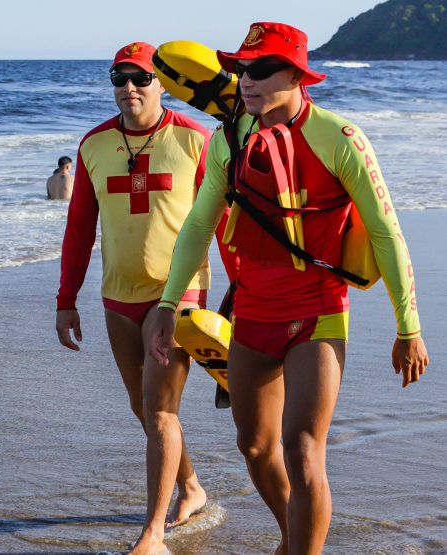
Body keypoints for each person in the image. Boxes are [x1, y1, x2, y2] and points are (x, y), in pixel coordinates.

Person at [147, 22, 429, 555]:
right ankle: (294, 538)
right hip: (253, 313)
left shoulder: (339, 138)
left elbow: (386, 232)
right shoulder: (229, 140)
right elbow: (198, 225)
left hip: (317, 312)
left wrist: (407, 326)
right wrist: (167, 304)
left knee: (301, 449)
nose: (246, 80)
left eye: (260, 69)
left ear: (297, 76)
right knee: (254, 447)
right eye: (240, 69)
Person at [55, 42, 235, 555]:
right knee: (145, 407)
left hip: (178, 295)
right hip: (118, 294)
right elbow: (79, 227)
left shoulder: (196, 139)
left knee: (158, 409)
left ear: (162, 84)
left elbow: (224, 221)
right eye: (119, 78)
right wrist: (66, 298)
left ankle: (152, 535)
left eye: (140, 77)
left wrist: (242, 290)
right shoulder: (94, 144)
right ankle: (191, 487)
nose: (129, 87)